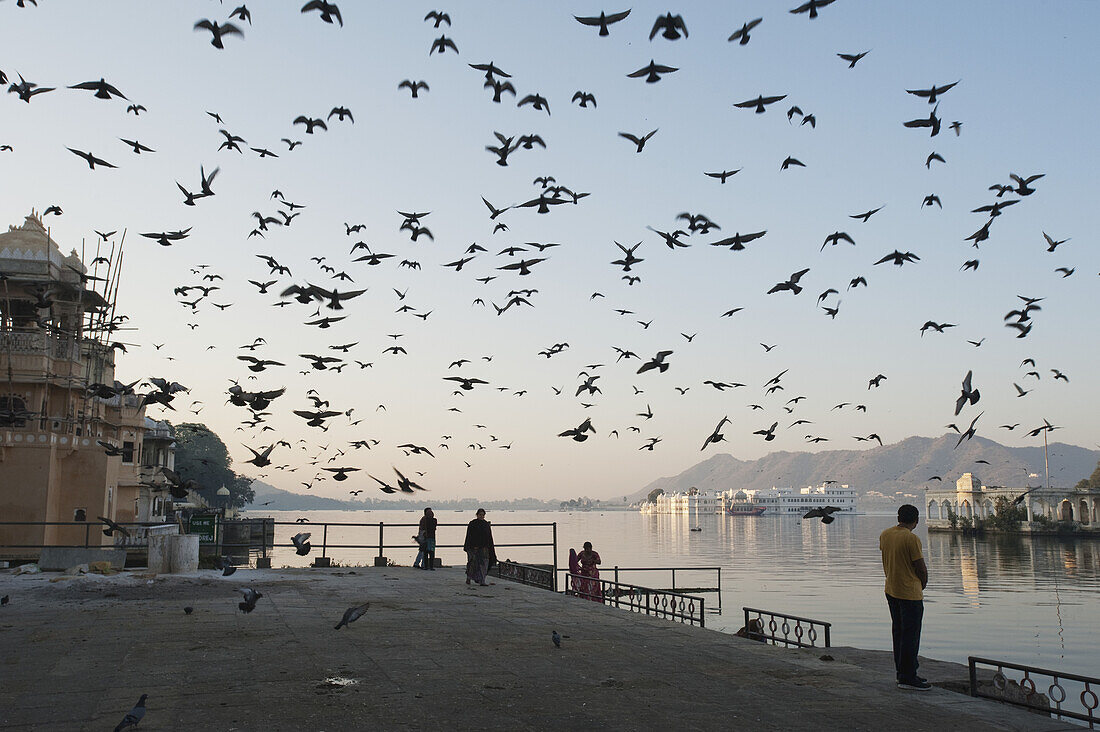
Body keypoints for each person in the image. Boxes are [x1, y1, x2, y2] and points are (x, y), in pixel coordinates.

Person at [879, 504, 930, 691]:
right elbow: (920, 567)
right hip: (909, 593)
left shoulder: (885, 534)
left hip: (891, 589)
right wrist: (923, 583)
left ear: (898, 517)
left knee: (898, 633)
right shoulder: (911, 539)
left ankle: (902, 673)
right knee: (911, 636)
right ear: (916, 520)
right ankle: (908, 677)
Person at [463, 508, 495, 586]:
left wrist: (490, 547)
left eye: (483, 515)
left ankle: (482, 580)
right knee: (472, 563)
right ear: (477, 515)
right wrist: (473, 546)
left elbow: (489, 537)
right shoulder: (472, 523)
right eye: (480, 515)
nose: (481, 516)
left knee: (484, 563)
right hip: (473, 547)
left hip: (484, 547)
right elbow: (470, 536)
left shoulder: (485, 524)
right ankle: (469, 578)